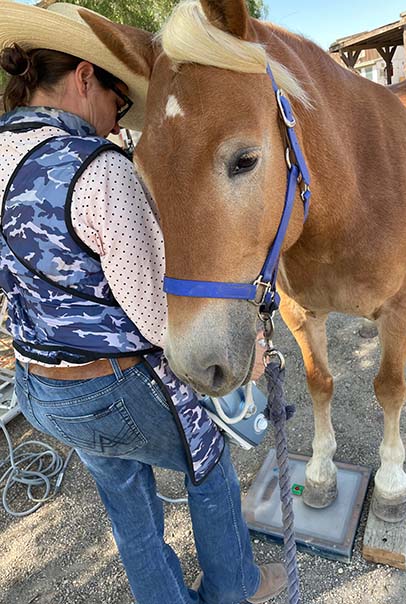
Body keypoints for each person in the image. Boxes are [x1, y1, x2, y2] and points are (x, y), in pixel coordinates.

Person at [0, 3, 288, 604]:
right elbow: (155, 317)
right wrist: (252, 355)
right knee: (207, 467)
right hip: (114, 387)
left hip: (39, 385)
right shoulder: (99, 169)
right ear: (85, 79)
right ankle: (237, 586)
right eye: (118, 101)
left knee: (129, 507)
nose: (117, 119)